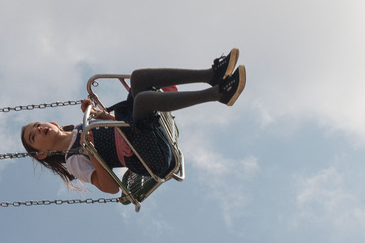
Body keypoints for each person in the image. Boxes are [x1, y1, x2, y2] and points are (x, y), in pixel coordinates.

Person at [20, 56, 247, 194]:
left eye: (37, 125)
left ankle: (212, 75)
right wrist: (93, 151)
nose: (38, 130)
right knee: (143, 101)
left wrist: (100, 115)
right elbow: (110, 188)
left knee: (138, 78)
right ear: (43, 153)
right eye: (34, 137)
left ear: (52, 123)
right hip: (147, 158)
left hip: (140, 134)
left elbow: (117, 128)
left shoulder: (81, 128)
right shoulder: (73, 160)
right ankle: (220, 94)